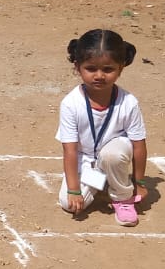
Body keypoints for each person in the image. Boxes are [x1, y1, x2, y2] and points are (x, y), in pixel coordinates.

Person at [56, 28, 148, 226]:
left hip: (114, 153)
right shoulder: (71, 103)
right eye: (91, 68)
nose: (99, 76)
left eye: (108, 69)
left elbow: (139, 145)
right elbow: (70, 150)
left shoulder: (128, 102)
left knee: (112, 156)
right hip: (86, 161)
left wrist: (139, 183)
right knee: (69, 204)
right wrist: (73, 190)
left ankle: (122, 198)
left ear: (121, 68)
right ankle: (104, 179)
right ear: (77, 66)